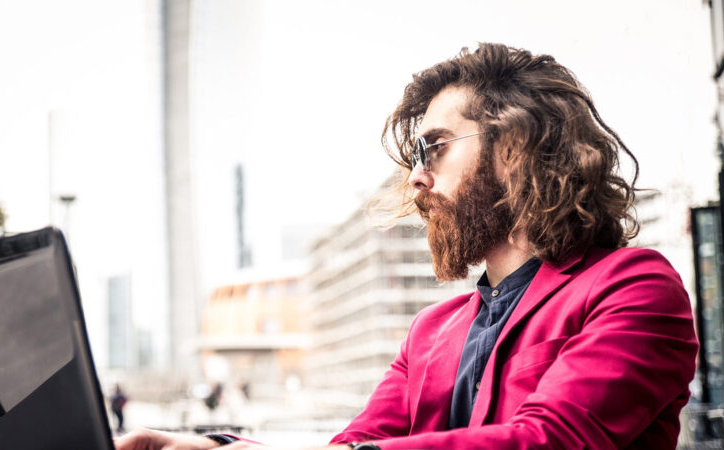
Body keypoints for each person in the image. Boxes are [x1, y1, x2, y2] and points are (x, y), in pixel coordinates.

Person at [115, 43, 699, 449]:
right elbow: (355, 445)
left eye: (435, 147)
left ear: (515, 146)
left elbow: (547, 441)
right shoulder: (430, 331)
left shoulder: (634, 287)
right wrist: (218, 448)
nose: (416, 178)